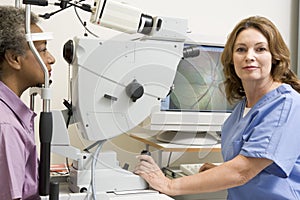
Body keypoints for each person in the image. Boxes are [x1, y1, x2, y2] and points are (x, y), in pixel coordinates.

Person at [134, 16, 300, 199]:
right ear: (231, 59)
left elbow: (242, 172)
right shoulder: (242, 108)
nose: (249, 57)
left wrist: (170, 185)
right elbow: (253, 167)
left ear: (275, 57)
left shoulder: (286, 104)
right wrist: (220, 171)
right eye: (241, 50)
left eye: (260, 49)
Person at [0, 6, 55, 200]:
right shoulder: (6, 126)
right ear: (14, 59)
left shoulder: (9, 113)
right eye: (42, 50)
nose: (51, 59)